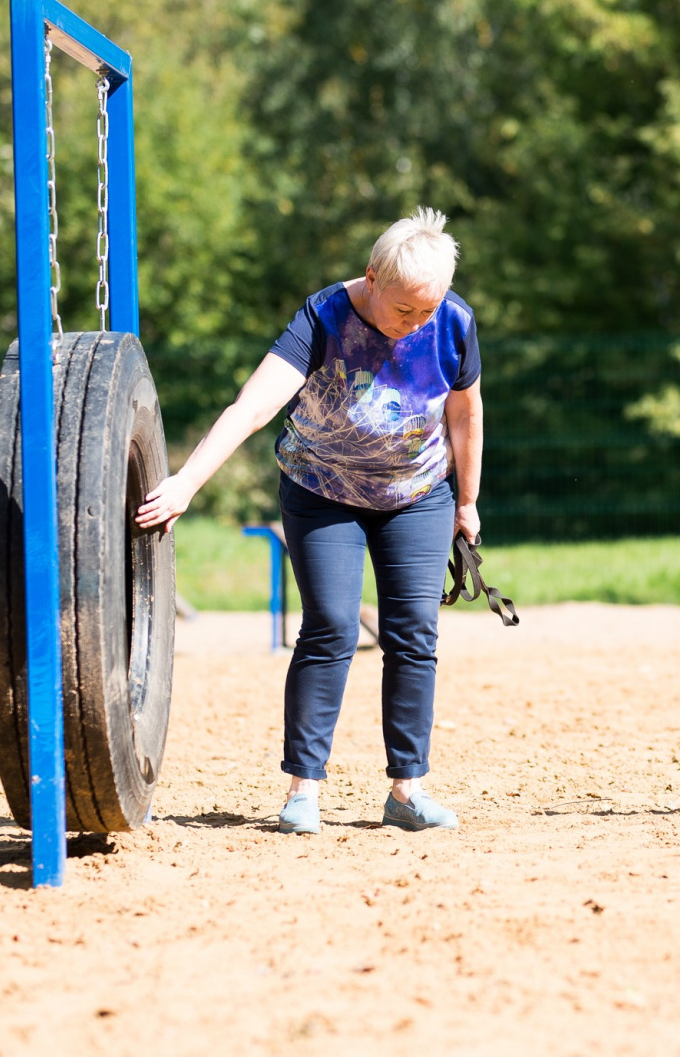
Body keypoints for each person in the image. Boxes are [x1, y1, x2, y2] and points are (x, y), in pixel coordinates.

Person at [134, 206, 482, 835]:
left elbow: (465, 412)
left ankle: (406, 790)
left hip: (417, 491)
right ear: (371, 277)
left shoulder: (453, 323)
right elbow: (255, 405)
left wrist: (467, 501)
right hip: (321, 489)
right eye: (405, 310)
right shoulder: (323, 316)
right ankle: (304, 792)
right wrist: (187, 480)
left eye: (428, 309)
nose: (417, 324)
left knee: (414, 635)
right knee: (329, 626)